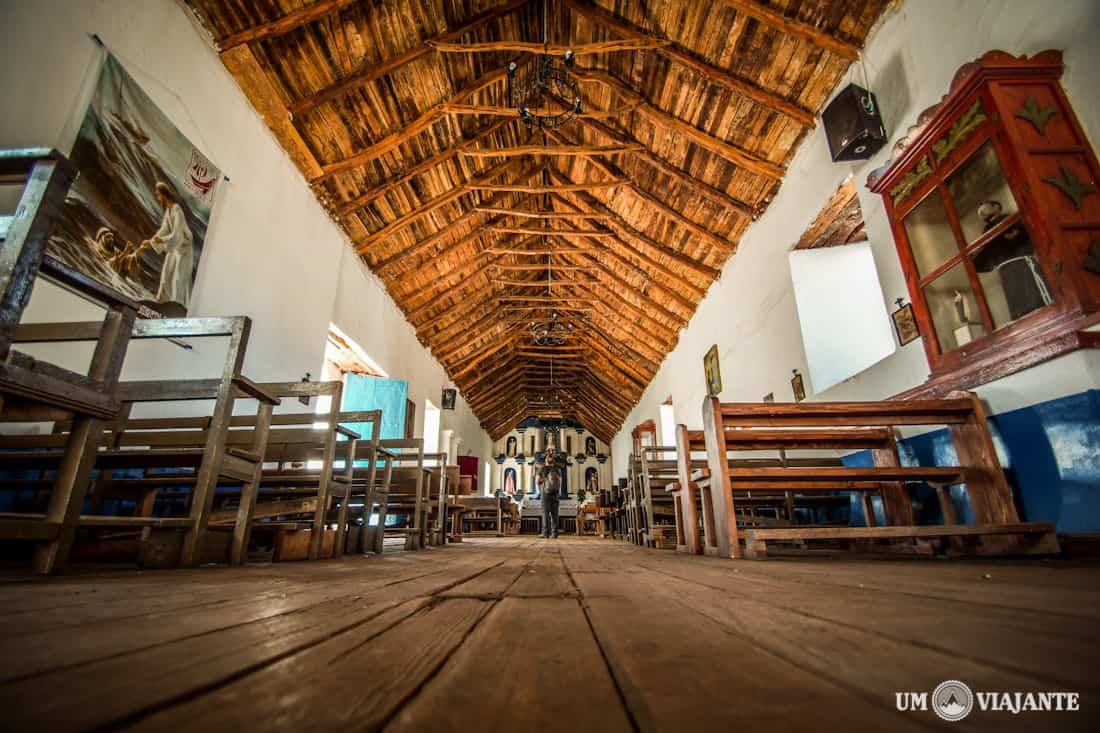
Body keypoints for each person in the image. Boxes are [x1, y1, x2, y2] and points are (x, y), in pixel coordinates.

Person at [140, 182, 194, 308]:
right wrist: (150, 242)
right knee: (165, 274)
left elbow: (177, 235)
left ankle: (176, 308)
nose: (158, 198)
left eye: (159, 195)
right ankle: (160, 302)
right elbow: (163, 230)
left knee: (178, 280)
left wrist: (160, 241)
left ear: (164, 195)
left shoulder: (177, 211)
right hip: (174, 247)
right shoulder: (169, 211)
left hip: (184, 249)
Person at [539, 451, 562, 539]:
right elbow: (560, 482)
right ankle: (555, 533)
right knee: (555, 514)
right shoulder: (558, 470)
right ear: (554, 461)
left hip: (545, 493)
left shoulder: (543, 469)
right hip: (556, 494)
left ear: (546, 460)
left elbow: (537, 481)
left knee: (545, 513)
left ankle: (545, 533)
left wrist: (544, 481)